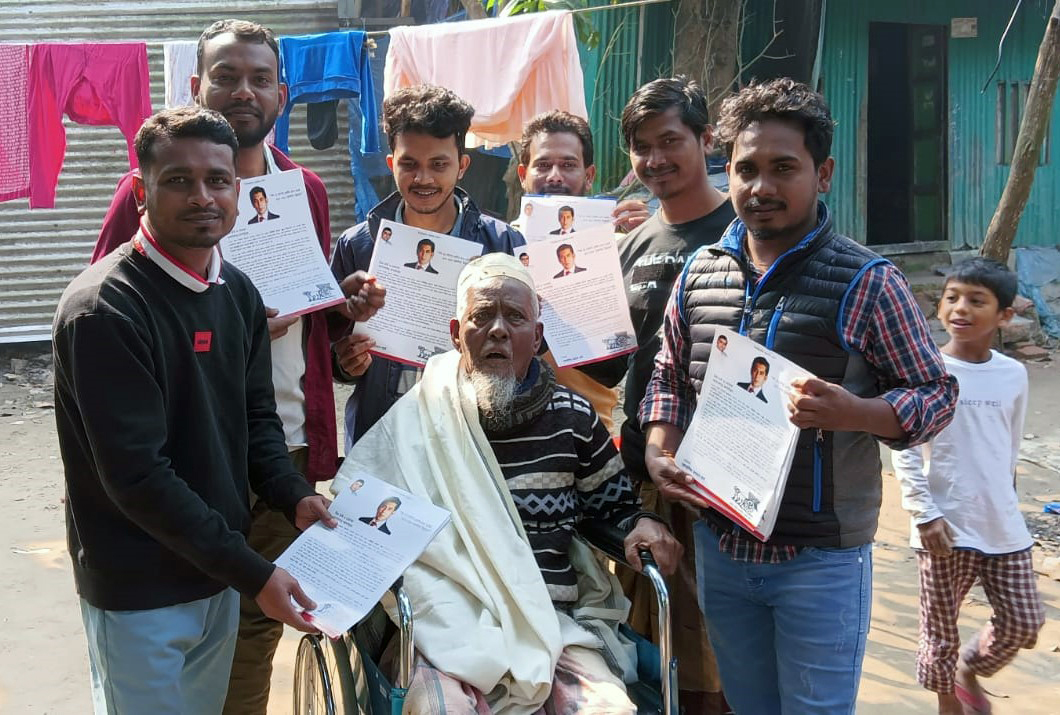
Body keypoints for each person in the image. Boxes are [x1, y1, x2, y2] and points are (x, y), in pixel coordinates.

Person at [86, 20, 384, 714]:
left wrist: (345, 316)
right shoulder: (149, 197)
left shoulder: (305, 189)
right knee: (180, 623)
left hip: (281, 446)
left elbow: (316, 311)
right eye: (226, 76)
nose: (242, 91)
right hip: (184, 454)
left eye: (258, 78)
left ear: (284, 93)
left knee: (250, 632)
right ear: (196, 86)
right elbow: (112, 311)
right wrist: (235, 327)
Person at [640, 78, 958, 713]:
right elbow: (670, 379)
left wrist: (859, 413)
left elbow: (936, 393)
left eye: (784, 168)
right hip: (721, 547)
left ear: (824, 173)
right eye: (746, 169)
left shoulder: (869, 282)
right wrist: (658, 449)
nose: (761, 188)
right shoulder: (701, 272)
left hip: (820, 561)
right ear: (725, 170)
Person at [52, 107, 338, 714]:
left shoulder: (236, 292)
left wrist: (293, 495)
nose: (202, 196)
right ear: (140, 191)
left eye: (218, 179)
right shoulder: (104, 310)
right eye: (178, 180)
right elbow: (138, 477)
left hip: (217, 576)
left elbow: (258, 418)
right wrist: (256, 574)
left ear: (239, 188)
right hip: (139, 587)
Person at [333, 253, 682, 713]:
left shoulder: (573, 419)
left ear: (537, 338)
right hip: (446, 627)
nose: (498, 329)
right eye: (482, 316)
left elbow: (615, 508)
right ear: (457, 335)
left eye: (515, 317)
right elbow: (358, 506)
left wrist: (645, 523)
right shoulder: (418, 418)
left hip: (555, 621)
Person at [574, 76, 737, 713]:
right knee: (649, 639)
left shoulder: (738, 230)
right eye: (642, 147)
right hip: (640, 471)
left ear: (706, 139)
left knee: (712, 652)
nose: (656, 159)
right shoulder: (633, 244)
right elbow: (610, 364)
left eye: (671, 141)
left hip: (716, 481)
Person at [331, 84, 524, 449]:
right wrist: (345, 363)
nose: (423, 179)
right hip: (382, 439)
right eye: (409, 164)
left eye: (439, 164)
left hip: (474, 441)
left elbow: (530, 346)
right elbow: (328, 349)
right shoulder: (358, 245)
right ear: (391, 164)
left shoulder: (502, 245)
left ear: (462, 166)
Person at [893, 257, 1045, 715]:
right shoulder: (926, 370)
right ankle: (948, 703)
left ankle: (969, 669)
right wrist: (924, 513)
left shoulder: (1012, 374)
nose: (959, 309)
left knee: (1024, 621)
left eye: (976, 301)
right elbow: (902, 445)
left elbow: (1009, 445)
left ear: (1004, 315)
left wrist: (1008, 502)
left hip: (1001, 525)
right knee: (939, 634)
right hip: (944, 524)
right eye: (951, 298)